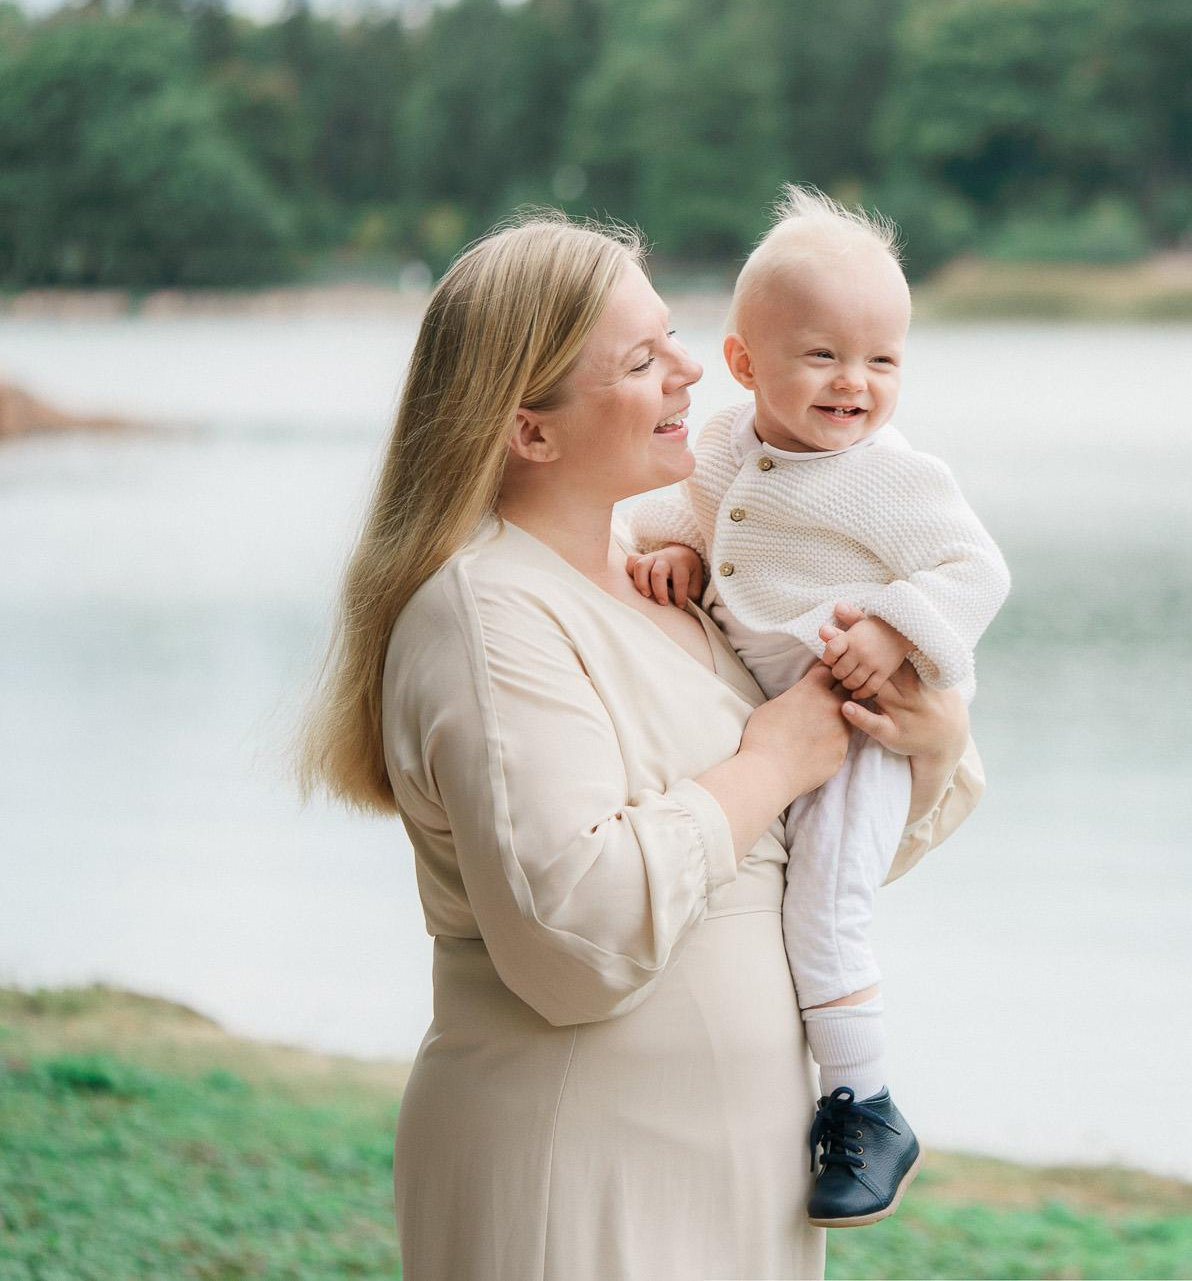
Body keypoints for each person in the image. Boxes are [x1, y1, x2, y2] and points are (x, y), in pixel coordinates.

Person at [296, 211, 984, 1280]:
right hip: (579, 1179)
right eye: (642, 358)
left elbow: (795, 866)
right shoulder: (489, 616)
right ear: (531, 430)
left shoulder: (669, 565)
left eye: (672, 336)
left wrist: (928, 741)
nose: (690, 371)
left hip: (735, 1179)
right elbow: (575, 942)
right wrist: (769, 762)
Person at [624, 185, 1009, 1226]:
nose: (857, 384)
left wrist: (895, 624)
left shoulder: (891, 478)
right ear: (744, 363)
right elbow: (693, 511)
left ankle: (867, 1101)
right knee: (784, 893)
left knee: (827, 905)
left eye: (883, 361)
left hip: (870, 714)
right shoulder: (721, 443)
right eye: (824, 356)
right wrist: (676, 550)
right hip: (800, 713)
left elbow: (977, 573)